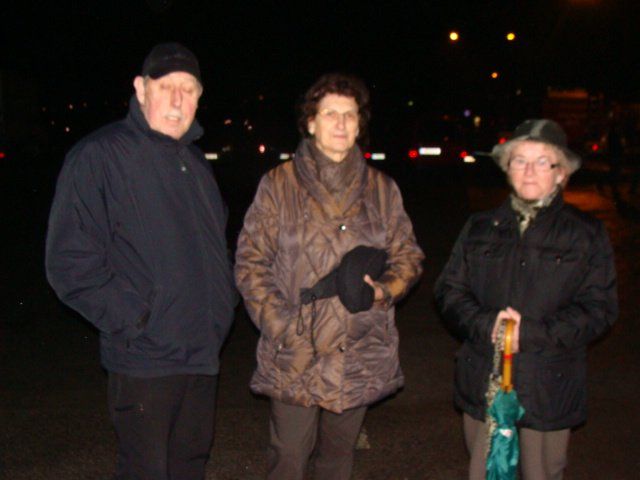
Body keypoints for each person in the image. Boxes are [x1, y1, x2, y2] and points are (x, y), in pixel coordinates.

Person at [45, 42, 236, 480]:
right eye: (166, 86)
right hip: (147, 360)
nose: (177, 100)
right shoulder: (101, 156)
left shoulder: (196, 165)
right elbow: (69, 261)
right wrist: (138, 319)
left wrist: (223, 301)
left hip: (201, 355)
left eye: (188, 89)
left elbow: (214, 248)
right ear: (140, 88)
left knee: (189, 467)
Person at [234, 73, 424, 480]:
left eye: (349, 115)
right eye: (330, 114)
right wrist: (282, 326)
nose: (340, 123)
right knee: (288, 458)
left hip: (358, 345)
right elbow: (251, 263)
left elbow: (408, 256)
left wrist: (384, 290)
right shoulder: (279, 185)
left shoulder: (382, 189)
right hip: (297, 348)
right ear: (310, 122)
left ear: (359, 125)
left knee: (338, 460)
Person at [434, 119, 618, 480]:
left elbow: (599, 309)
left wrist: (530, 333)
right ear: (507, 169)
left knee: (542, 472)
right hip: (484, 377)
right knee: (486, 472)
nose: (529, 171)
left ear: (561, 173)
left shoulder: (585, 233)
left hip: (549, 382)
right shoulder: (480, 227)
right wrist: (487, 324)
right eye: (519, 160)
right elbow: (449, 291)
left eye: (542, 161)